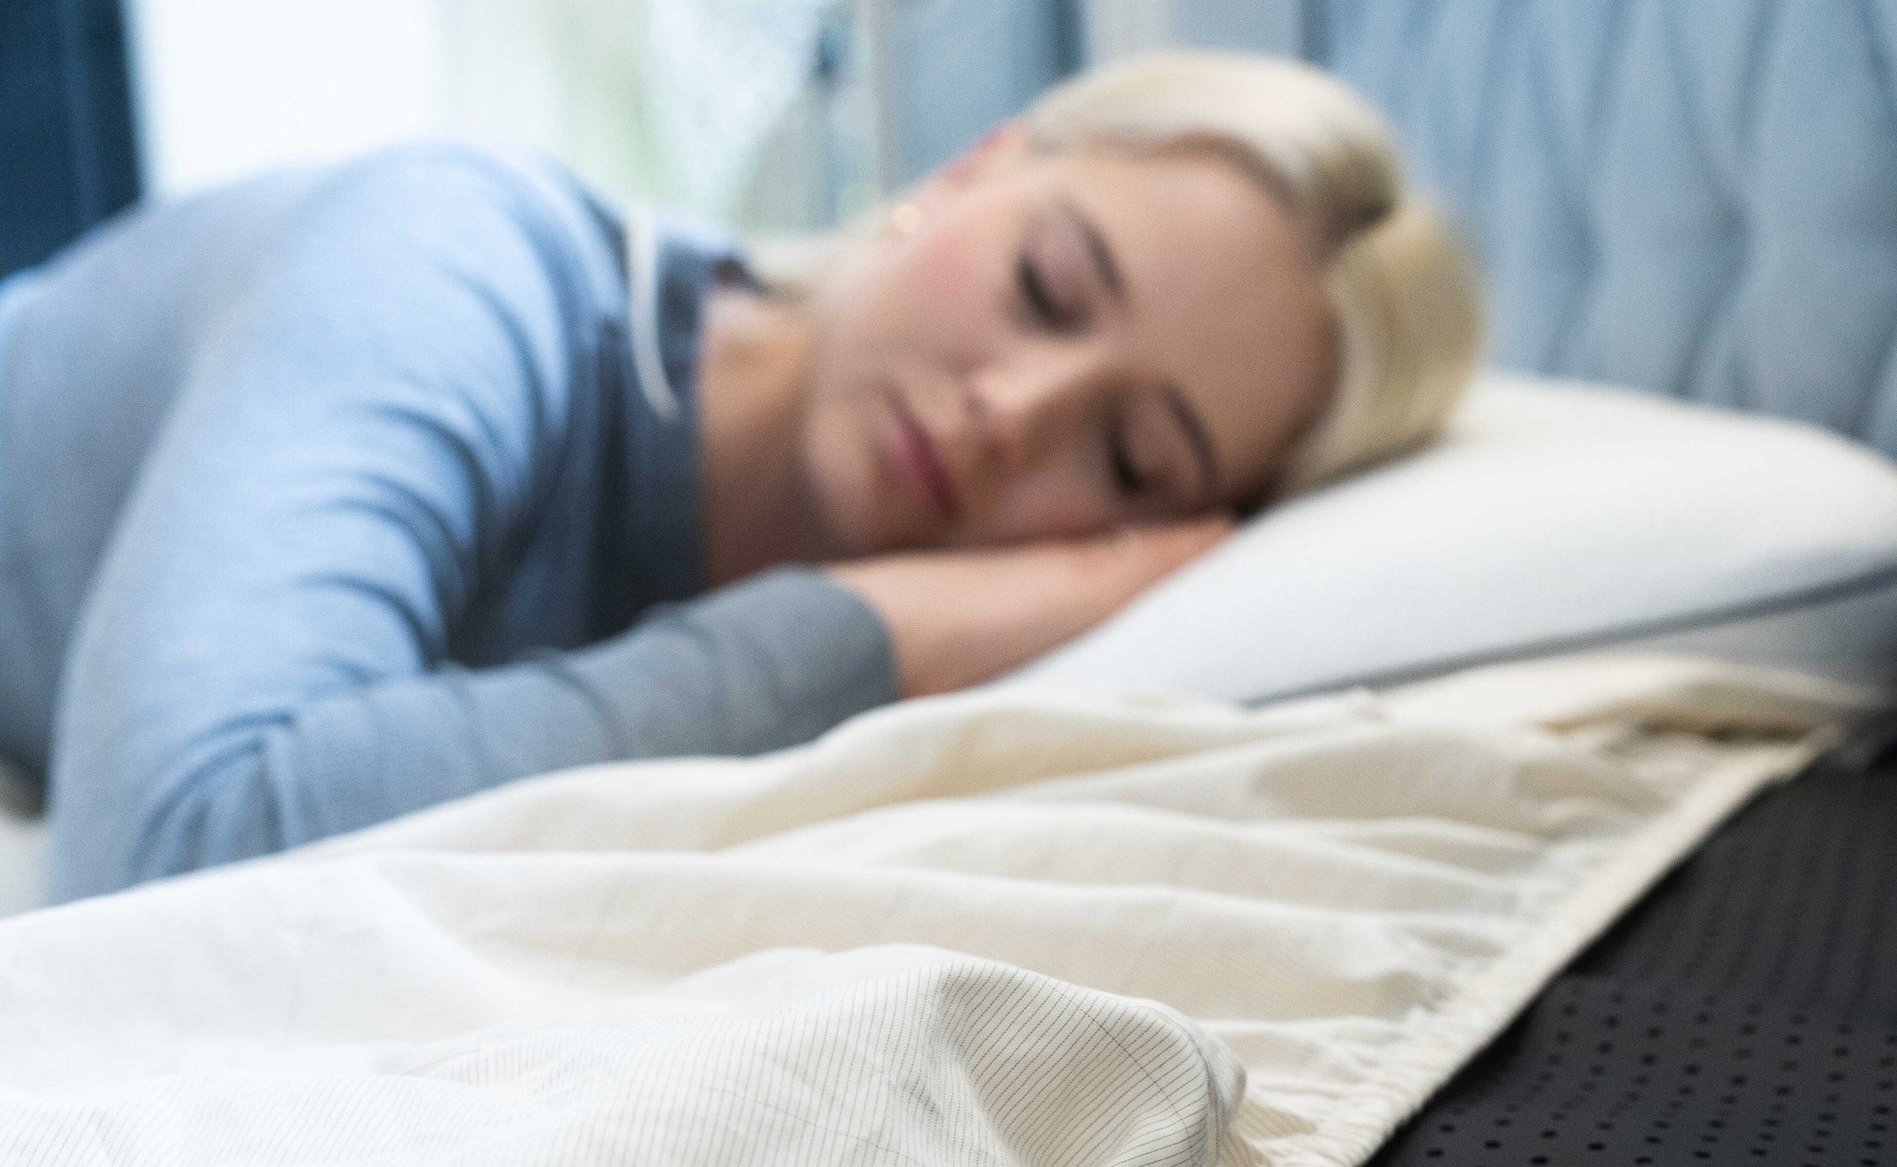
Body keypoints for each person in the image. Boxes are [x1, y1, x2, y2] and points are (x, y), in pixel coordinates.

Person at [0, 50, 1481, 903]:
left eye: (1129, 454)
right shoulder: (457, 258)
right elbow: (168, 847)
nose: (1011, 415)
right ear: (968, 170)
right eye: (1044, 285)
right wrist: (871, 635)